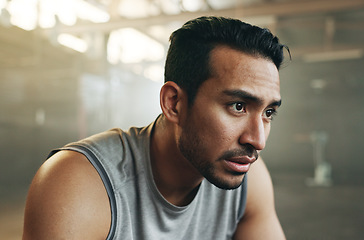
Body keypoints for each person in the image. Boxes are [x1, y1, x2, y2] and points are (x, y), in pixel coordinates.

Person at [23, 16, 287, 240]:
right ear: (174, 103)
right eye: (238, 106)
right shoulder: (76, 184)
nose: (258, 140)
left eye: (268, 112)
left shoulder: (249, 177)